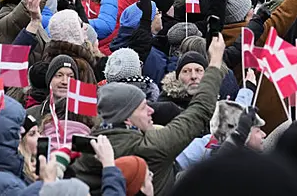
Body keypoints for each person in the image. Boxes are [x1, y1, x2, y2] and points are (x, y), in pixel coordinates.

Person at [71, 34, 225, 195]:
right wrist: (214, 63)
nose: (151, 110)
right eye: (143, 107)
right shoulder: (151, 146)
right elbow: (199, 111)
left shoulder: (85, 152)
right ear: (127, 118)